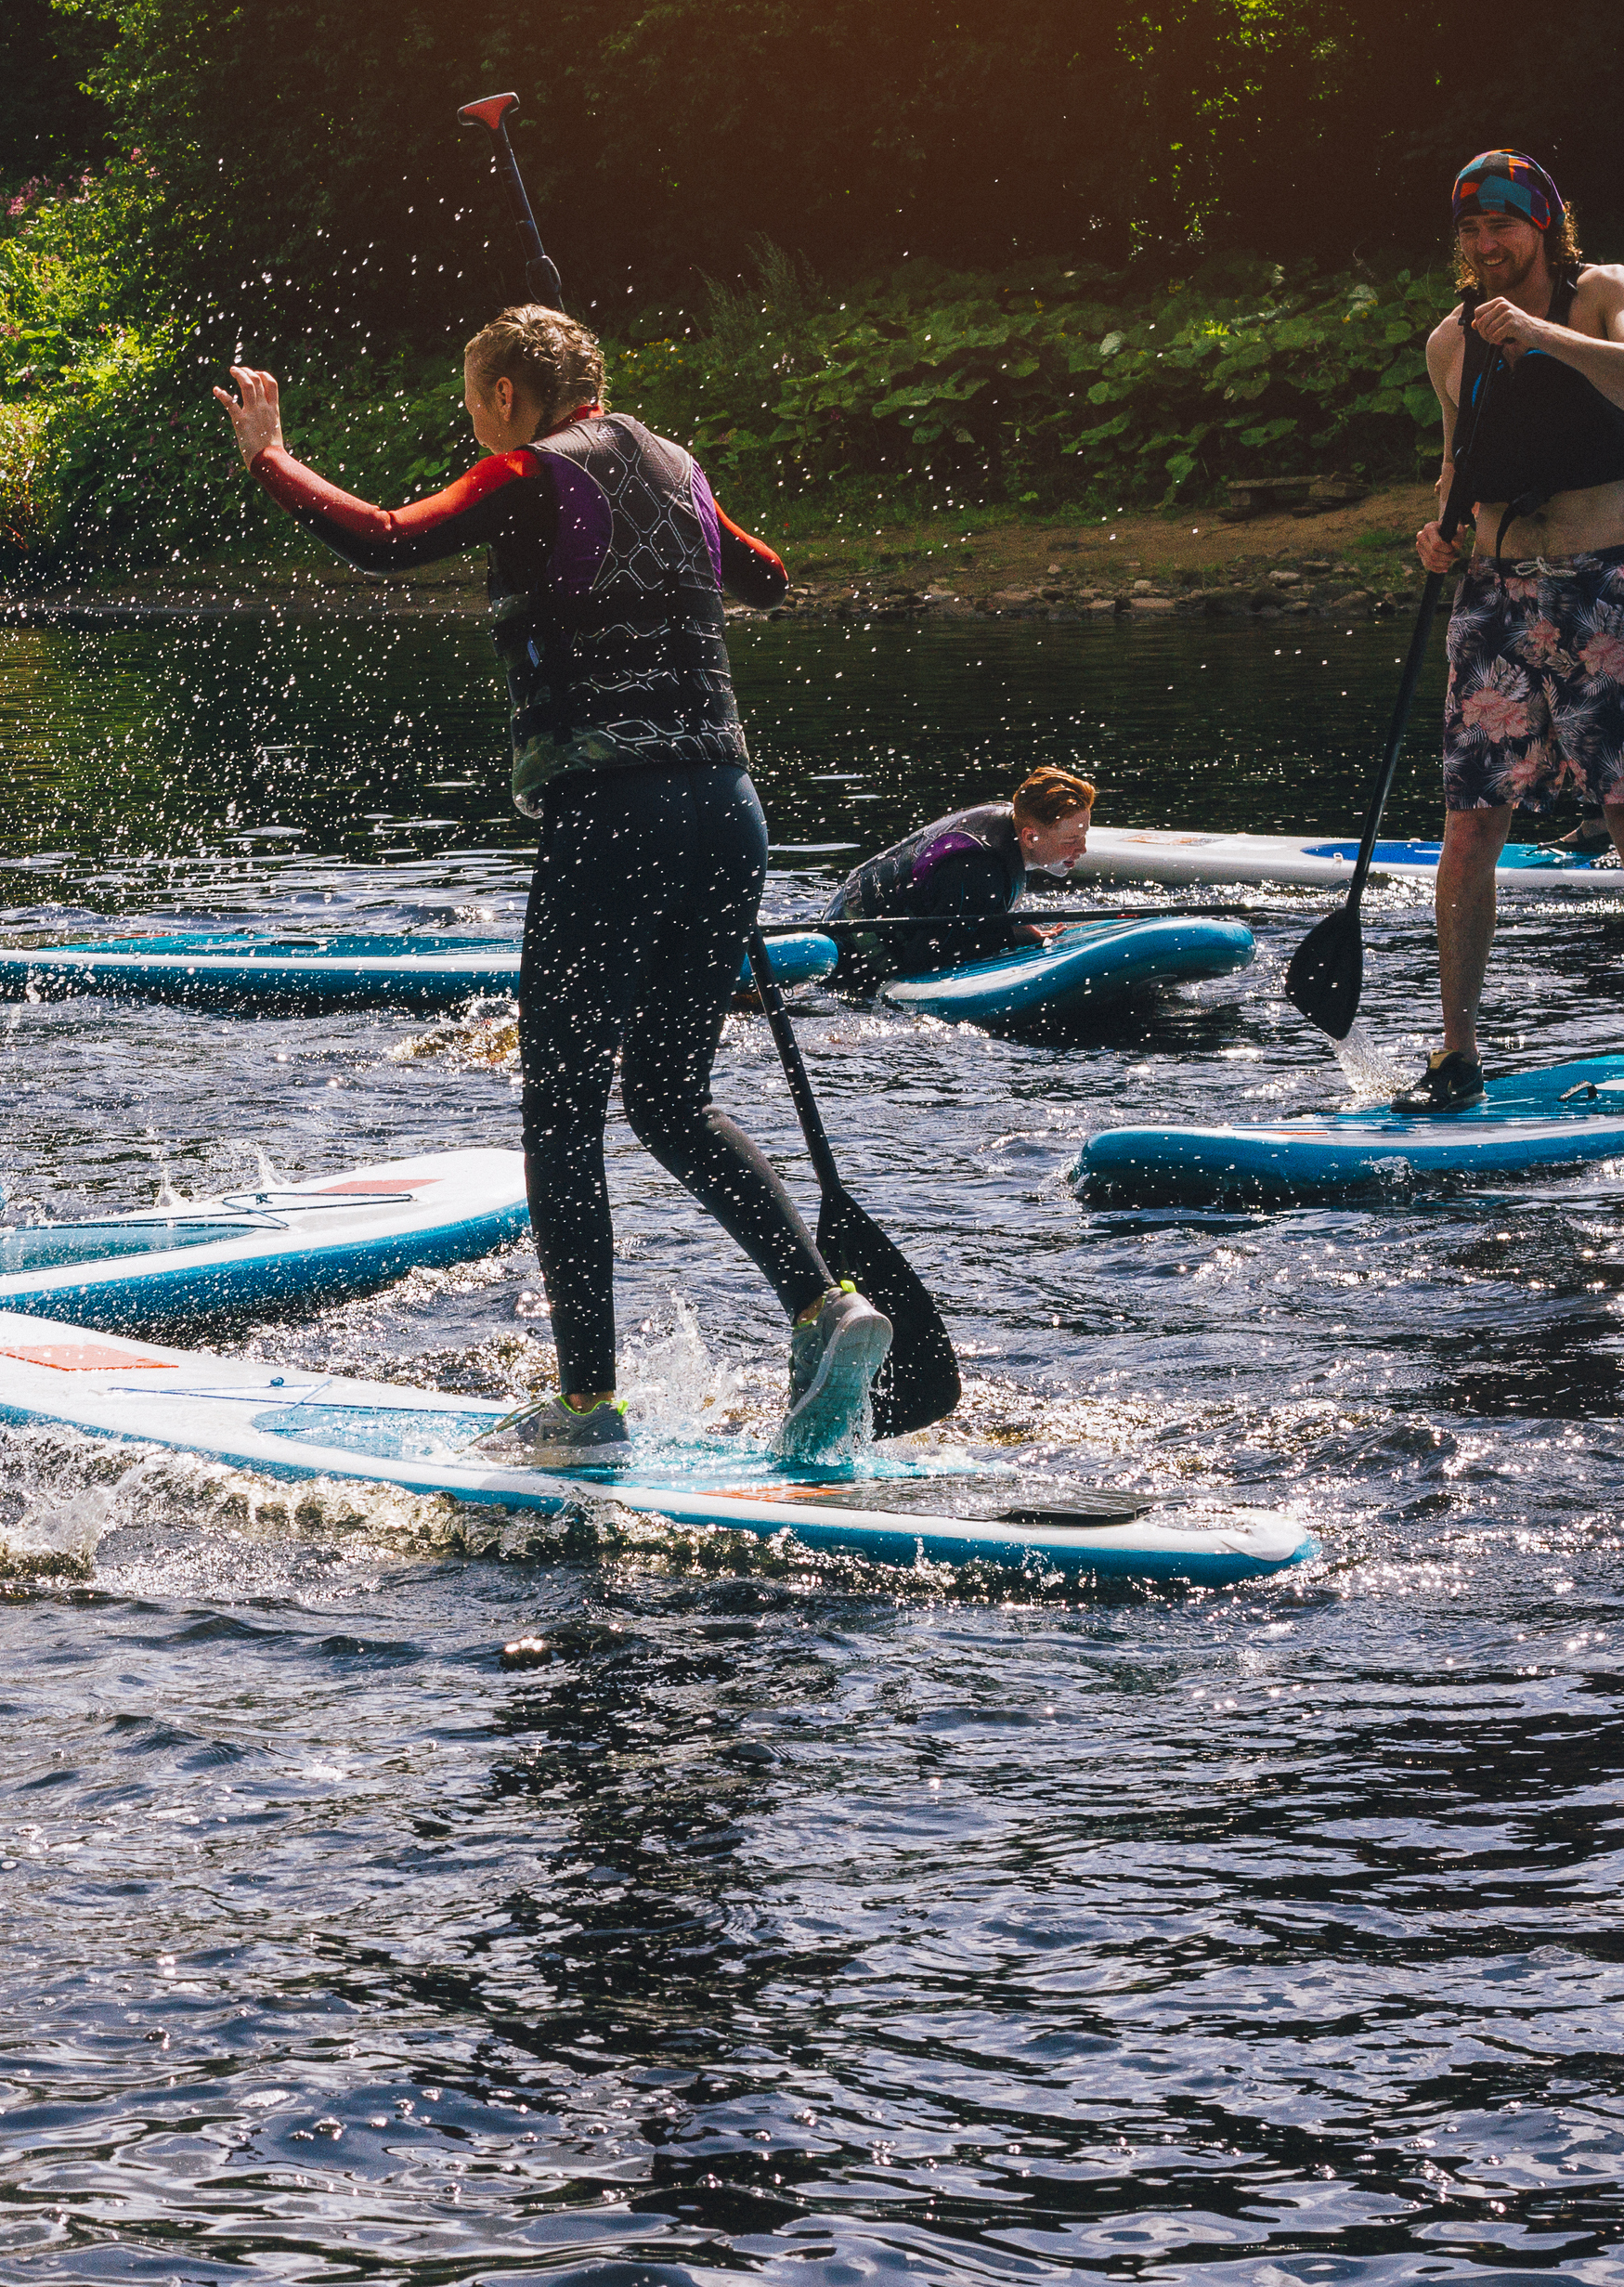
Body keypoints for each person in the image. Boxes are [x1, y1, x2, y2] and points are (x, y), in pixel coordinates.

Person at [214, 306, 891, 1466]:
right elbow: (766, 577)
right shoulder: (680, 468)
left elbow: (385, 536)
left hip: (613, 814)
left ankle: (585, 1412)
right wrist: (660, 505)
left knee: (562, 1113)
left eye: (475, 401)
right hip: (728, 813)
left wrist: (271, 459)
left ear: (515, 397)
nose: (471, 423)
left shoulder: (528, 472)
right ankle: (825, 1308)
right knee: (671, 1098)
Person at [1397, 149, 1624, 1115]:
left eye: (1504, 228)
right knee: (1471, 822)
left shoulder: (1603, 291)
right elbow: (1456, 467)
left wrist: (1544, 337)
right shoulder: (1452, 341)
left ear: (1544, 226)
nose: (1487, 246)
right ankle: (1458, 1050)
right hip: (1494, 596)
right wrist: (1440, 533)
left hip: (1607, 584)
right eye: (1472, 232)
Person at [823, 768, 1098, 981]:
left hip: (850, 905)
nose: (1082, 848)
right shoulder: (980, 872)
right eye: (1071, 840)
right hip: (856, 950)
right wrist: (1009, 935)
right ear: (1030, 836)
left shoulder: (1005, 822)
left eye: (1084, 836)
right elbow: (922, 958)